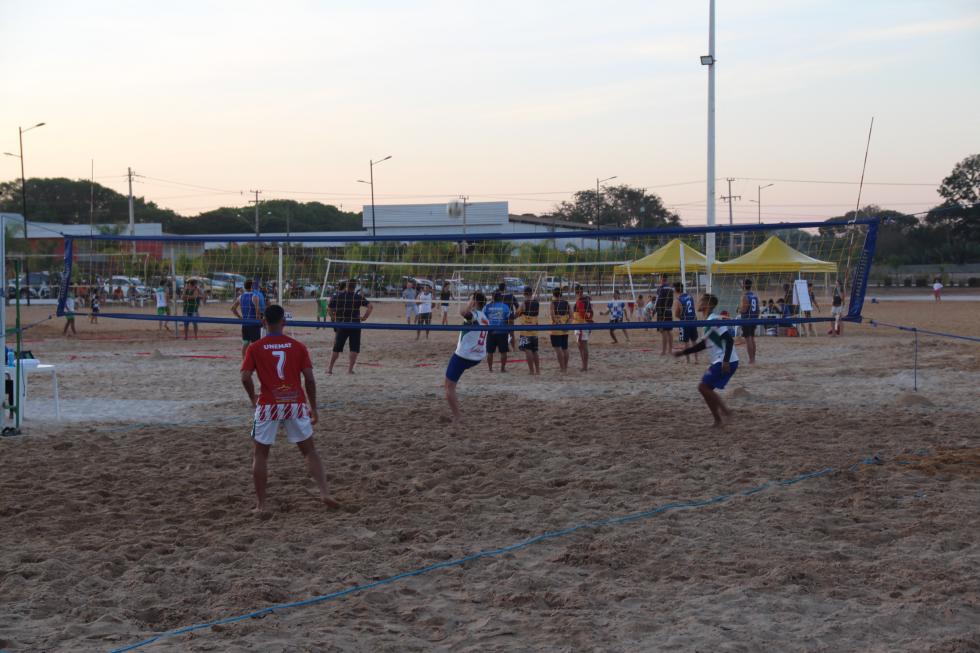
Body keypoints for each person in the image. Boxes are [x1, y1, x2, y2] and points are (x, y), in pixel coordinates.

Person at [240, 304, 339, 512]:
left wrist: (252, 398)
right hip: (294, 403)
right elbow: (309, 379)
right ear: (284, 322)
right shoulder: (298, 346)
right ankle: (324, 493)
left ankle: (261, 505)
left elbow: (245, 377)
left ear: (263, 322)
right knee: (310, 451)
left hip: (269, 404)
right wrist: (314, 408)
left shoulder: (255, 348)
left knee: (260, 455)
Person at [674, 293, 739, 428]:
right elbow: (703, 345)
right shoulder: (708, 321)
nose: (698, 302)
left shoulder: (714, 319)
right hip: (721, 360)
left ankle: (725, 412)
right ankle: (718, 420)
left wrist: (726, 361)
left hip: (726, 360)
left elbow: (729, 340)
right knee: (705, 388)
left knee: (703, 387)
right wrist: (683, 353)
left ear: (708, 305)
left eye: (701, 301)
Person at [444, 292, 490, 421]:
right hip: (477, 356)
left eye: (470, 299)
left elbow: (463, 312)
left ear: (475, 302)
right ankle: (457, 415)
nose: (468, 301)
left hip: (464, 356)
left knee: (448, 387)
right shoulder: (485, 318)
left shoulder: (474, 315)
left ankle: (458, 417)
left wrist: (469, 305)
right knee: (450, 385)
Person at [327, 280, 373, 374]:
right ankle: (350, 370)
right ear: (355, 287)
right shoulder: (357, 297)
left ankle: (330, 369)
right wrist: (364, 317)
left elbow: (329, 308)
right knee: (354, 348)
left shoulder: (338, 296)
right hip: (354, 324)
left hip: (342, 324)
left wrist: (334, 318)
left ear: (346, 286)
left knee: (336, 348)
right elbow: (370, 306)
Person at [232, 279, 263, 359]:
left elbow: (233, 309)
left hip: (245, 324)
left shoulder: (240, 297)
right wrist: (259, 320)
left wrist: (240, 318)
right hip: (253, 324)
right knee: (256, 344)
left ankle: (244, 360)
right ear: (252, 286)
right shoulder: (254, 296)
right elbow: (257, 311)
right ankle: (255, 360)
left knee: (245, 343)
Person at [515, 285, 541, 375]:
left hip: (525, 330)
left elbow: (516, 314)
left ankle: (531, 371)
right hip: (534, 330)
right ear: (531, 293)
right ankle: (538, 370)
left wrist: (516, 313)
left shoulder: (524, 303)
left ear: (524, 293)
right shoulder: (537, 303)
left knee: (528, 350)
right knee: (535, 351)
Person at [483, 291, 511, 372]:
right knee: (503, 352)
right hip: (502, 332)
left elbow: (483, 318)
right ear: (501, 297)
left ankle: (490, 369)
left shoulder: (487, 306)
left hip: (491, 331)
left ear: (493, 297)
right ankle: (502, 368)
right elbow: (509, 318)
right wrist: (510, 329)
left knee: (490, 352)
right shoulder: (505, 306)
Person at [673, 282, 698, 364]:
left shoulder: (678, 299)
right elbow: (693, 308)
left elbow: (677, 314)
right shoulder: (690, 296)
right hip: (693, 320)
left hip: (685, 321)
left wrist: (681, 317)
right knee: (694, 341)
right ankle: (696, 360)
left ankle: (688, 361)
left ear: (675, 290)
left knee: (686, 342)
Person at [571, 285, 594, 371]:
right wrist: (590, 320)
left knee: (583, 346)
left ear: (576, 292)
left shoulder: (581, 300)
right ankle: (584, 365)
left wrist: (589, 320)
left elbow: (582, 313)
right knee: (582, 345)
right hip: (583, 324)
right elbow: (591, 311)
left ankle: (584, 366)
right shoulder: (587, 299)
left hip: (580, 325)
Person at [737, 278, 760, 364]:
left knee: (748, 339)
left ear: (744, 286)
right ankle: (753, 358)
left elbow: (744, 309)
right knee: (752, 338)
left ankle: (751, 359)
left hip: (746, 319)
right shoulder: (755, 296)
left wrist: (738, 310)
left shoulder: (745, 296)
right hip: (754, 319)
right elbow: (758, 310)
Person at [550, 287, 572, 373]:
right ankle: (565, 367)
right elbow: (571, 316)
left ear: (553, 294)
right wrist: (567, 325)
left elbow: (553, 316)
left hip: (556, 329)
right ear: (561, 294)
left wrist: (559, 323)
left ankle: (562, 368)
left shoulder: (553, 303)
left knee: (558, 349)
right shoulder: (566, 303)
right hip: (565, 329)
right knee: (565, 349)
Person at [654, 275, 674, 355]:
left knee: (663, 331)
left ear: (661, 279)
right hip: (669, 310)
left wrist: (655, 310)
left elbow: (658, 301)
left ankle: (664, 351)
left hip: (662, 311)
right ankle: (670, 350)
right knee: (669, 331)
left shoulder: (661, 288)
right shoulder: (671, 288)